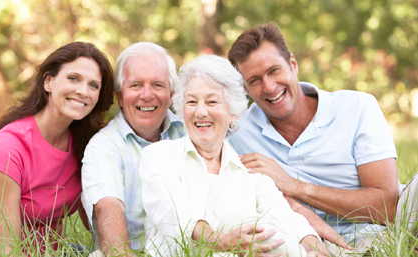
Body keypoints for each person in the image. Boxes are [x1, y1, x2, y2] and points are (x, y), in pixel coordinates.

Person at [227, 22, 400, 254]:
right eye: (254, 80)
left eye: (274, 70)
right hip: (306, 243)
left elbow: (387, 206)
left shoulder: (357, 107)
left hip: (383, 232)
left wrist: (294, 186)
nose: (268, 87)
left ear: (293, 64)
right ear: (246, 89)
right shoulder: (236, 132)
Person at [140, 55, 330, 257]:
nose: (201, 112)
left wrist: (316, 250)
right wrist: (220, 242)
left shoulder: (250, 174)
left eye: (212, 101)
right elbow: (173, 214)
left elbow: (288, 220)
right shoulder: (159, 156)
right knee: (237, 218)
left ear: (233, 114)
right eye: (192, 102)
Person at [0, 42, 114, 255]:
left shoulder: (85, 145)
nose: (83, 91)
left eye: (93, 85)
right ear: (49, 82)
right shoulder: (10, 146)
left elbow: (97, 226)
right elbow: (8, 248)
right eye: (73, 78)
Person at [81, 42, 185, 256]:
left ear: (171, 94)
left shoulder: (189, 133)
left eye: (158, 85)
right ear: (119, 96)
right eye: (136, 85)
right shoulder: (104, 146)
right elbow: (108, 208)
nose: (147, 95)